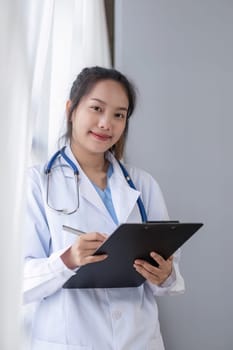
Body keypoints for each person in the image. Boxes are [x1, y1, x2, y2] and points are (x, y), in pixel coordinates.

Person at [23, 66, 185, 350]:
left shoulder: (143, 185)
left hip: (139, 340)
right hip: (70, 341)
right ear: (71, 110)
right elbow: (16, 282)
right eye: (96, 108)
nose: (106, 123)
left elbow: (169, 275)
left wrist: (165, 275)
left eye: (119, 115)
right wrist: (67, 259)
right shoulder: (36, 183)